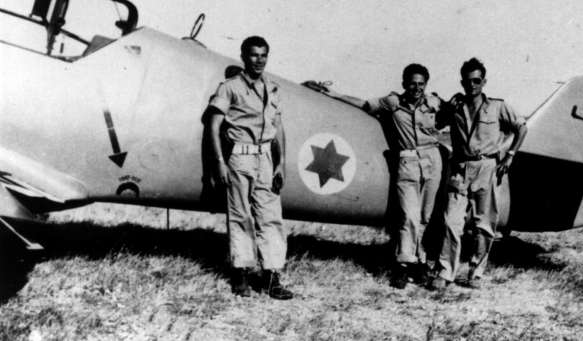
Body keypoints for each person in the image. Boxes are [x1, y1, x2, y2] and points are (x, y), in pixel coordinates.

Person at [323, 63, 446, 289]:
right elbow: (364, 104)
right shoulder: (393, 103)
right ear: (404, 84)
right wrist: (334, 94)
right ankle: (402, 264)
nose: (416, 88)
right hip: (407, 161)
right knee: (408, 215)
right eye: (412, 83)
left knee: (424, 217)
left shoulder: (434, 103)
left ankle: (419, 261)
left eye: (421, 84)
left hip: (432, 161)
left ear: (426, 85)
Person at [204, 36, 293, 299]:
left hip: (266, 159)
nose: (260, 60)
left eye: (264, 55)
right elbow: (213, 126)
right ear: (244, 57)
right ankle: (241, 273)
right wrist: (219, 164)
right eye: (254, 55)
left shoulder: (272, 88)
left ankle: (271, 277)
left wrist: (281, 164)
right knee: (241, 216)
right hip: (240, 158)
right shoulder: (229, 88)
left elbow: (278, 129)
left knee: (270, 217)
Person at [429, 58, 527, 290]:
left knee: (484, 225)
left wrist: (510, 154)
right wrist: (448, 108)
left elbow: (521, 127)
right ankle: (445, 272)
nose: (472, 85)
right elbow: (438, 123)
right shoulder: (457, 107)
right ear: (461, 82)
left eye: (476, 80)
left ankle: (476, 272)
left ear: (484, 82)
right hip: (461, 169)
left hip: (487, 168)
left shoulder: (497, 107)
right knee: (451, 222)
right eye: (467, 81)